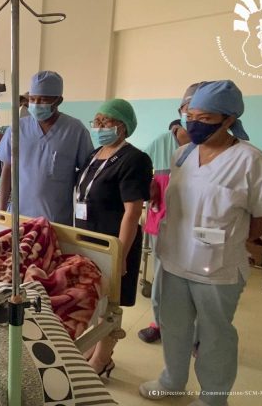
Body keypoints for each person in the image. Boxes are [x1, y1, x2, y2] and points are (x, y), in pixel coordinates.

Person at [140, 80, 262, 406]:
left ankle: (213, 397)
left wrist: (234, 238)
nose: (194, 123)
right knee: (173, 326)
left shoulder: (249, 160)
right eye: (190, 115)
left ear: (228, 119)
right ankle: (172, 381)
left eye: (205, 118)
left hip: (217, 268)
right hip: (174, 259)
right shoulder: (182, 155)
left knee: (214, 335)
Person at [73, 99, 153, 375]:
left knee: (111, 303)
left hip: (115, 243)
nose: (99, 126)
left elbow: (132, 212)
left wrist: (120, 254)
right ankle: (94, 347)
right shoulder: (95, 154)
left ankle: (103, 358)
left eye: (106, 121)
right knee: (96, 299)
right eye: (97, 121)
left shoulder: (135, 160)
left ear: (123, 126)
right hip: (88, 239)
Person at [137, 84, 197, 344]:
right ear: (180, 110)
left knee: (198, 282)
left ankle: (198, 334)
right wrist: (147, 187)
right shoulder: (161, 143)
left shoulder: (218, 148)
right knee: (162, 276)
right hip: (163, 223)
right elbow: (140, 177)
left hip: (200, 229)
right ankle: (158, 323)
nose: (195, 114)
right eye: (189, 108)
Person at [0, 71, 94, 225]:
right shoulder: (17, 128)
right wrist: (0, 213)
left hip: (56, 220)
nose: (36, 104)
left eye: (43, 100)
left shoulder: (75, 130)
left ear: (58, 101)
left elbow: (86, 176)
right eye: (32, 99)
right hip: (18, 217)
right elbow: (7, 170)